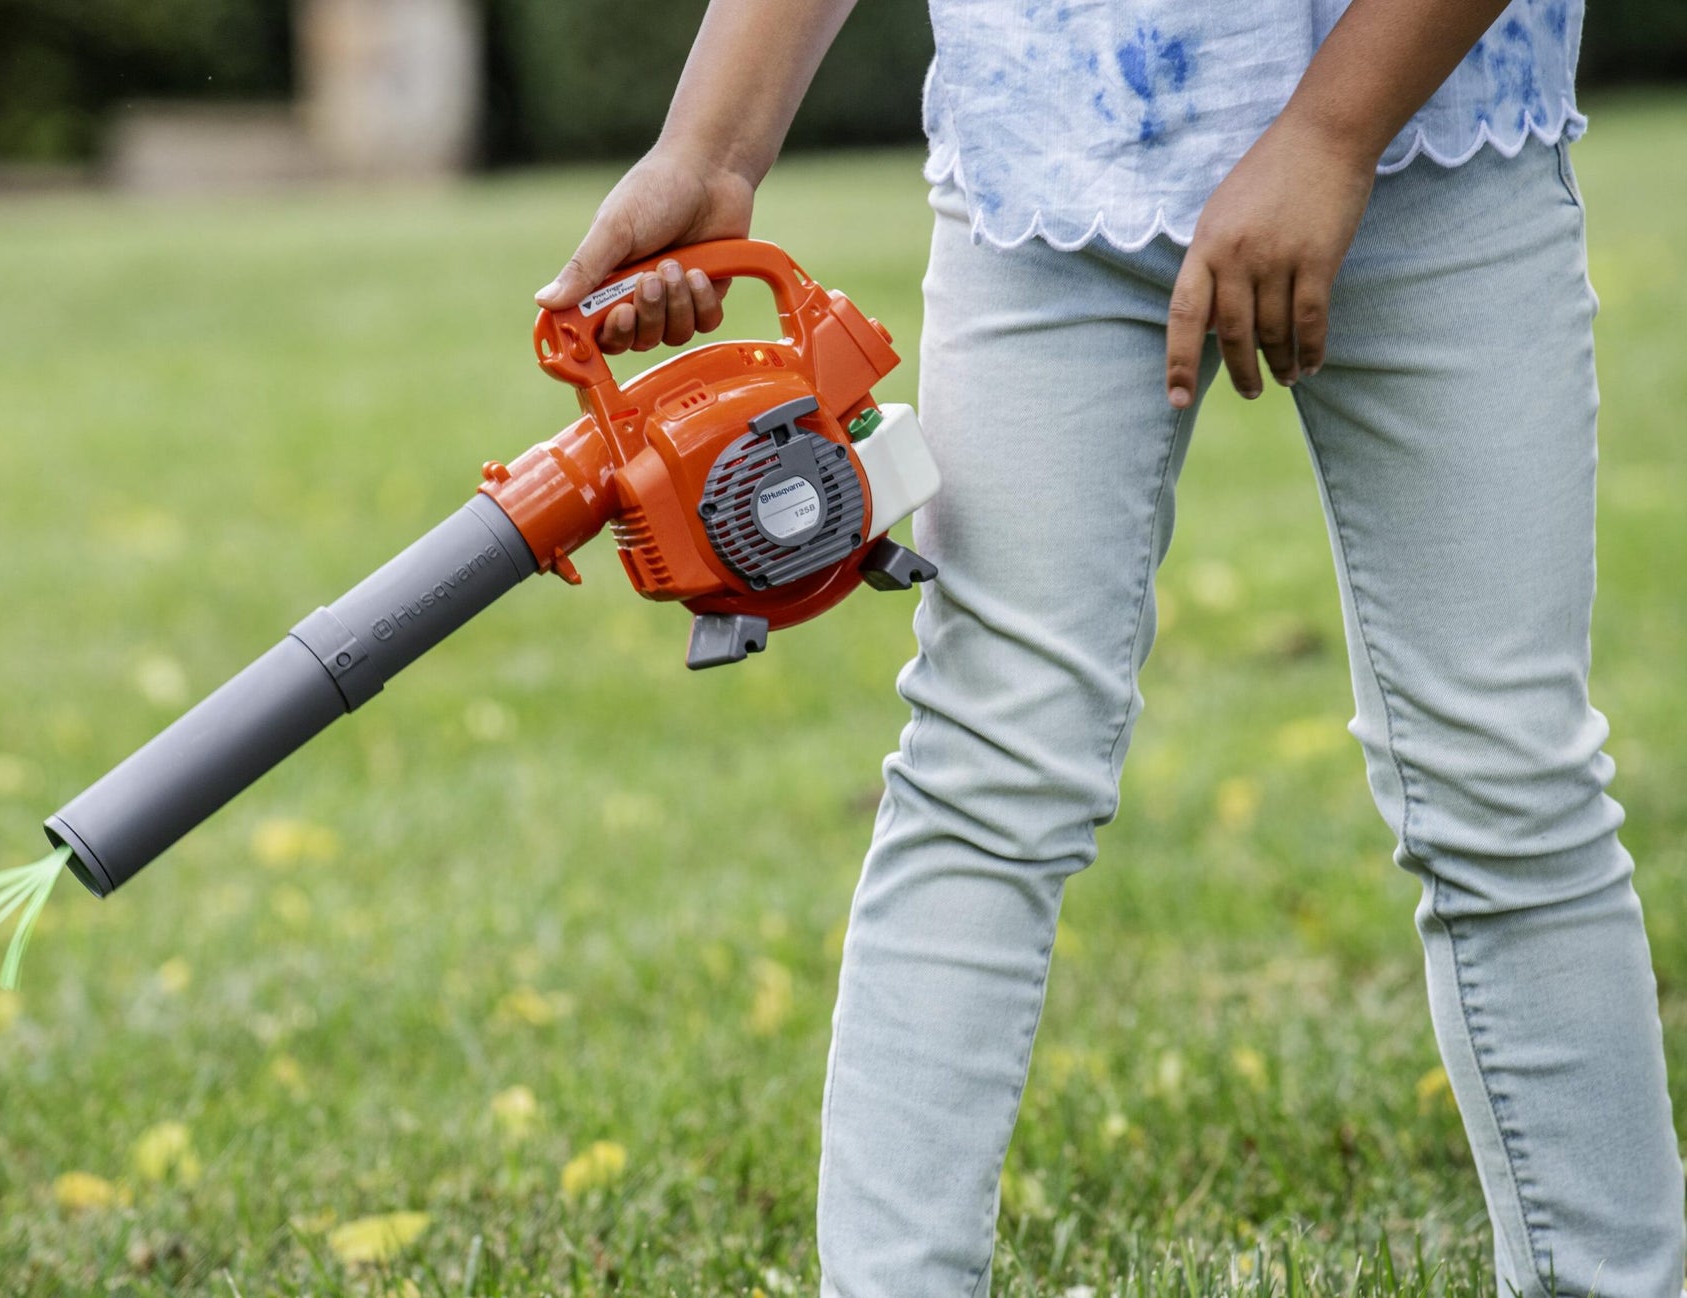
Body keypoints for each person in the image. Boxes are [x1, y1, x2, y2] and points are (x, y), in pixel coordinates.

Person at [533, 1, 1686, 1293]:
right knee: (985, 769)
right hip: (1054, 148)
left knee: (1506, 778)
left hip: (1435, 133)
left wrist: (1332, 131)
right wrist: (711, 148)